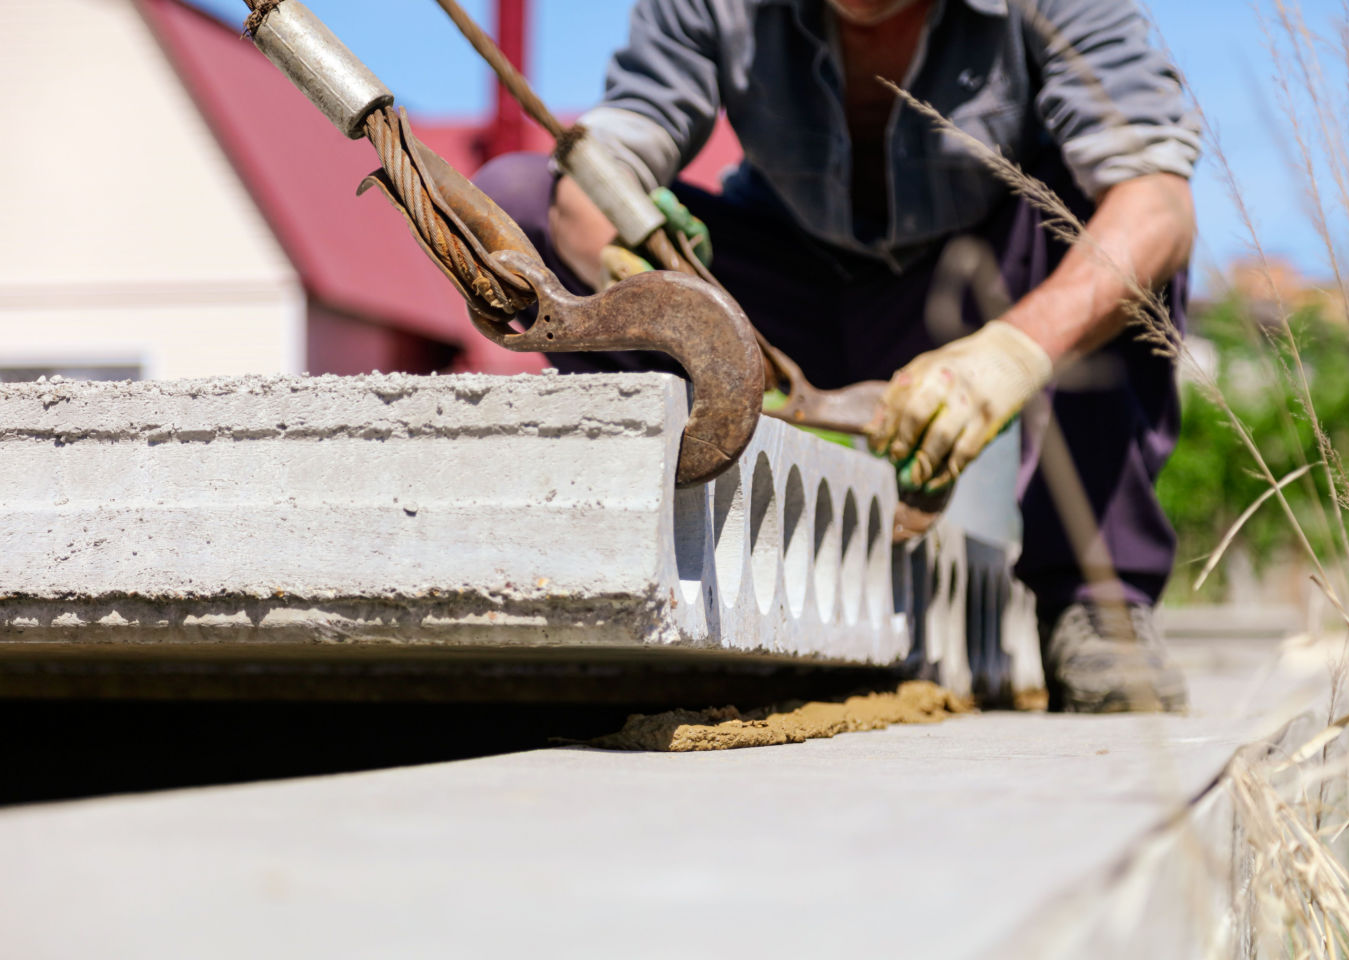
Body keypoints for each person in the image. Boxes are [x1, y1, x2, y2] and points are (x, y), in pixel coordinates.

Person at [473, 0, 1200, 712]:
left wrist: (1013, 352)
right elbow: (613, 153)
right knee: (526, 210)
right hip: (776, 298)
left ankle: (1097, 601)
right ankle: (676, 559)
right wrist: (620, 261)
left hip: (980, 291)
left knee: (1126, 230)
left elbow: (1157, 204)